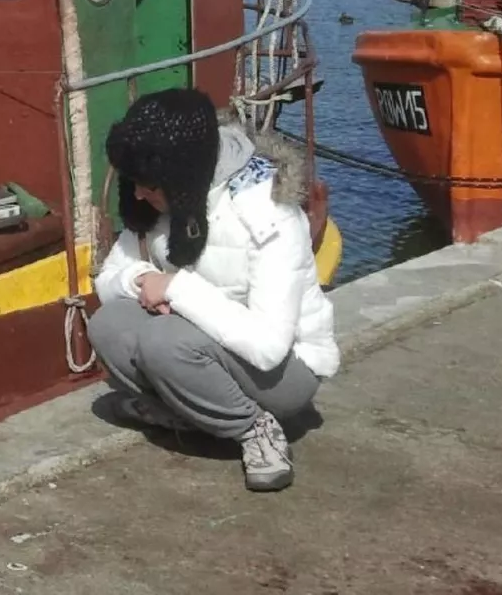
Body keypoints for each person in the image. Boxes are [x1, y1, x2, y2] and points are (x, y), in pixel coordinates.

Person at [87, 88, 339, 493]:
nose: (136, 194)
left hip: (287, 371)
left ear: (180, 176)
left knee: (164, 339)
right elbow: (108, 280)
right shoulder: (163, 203)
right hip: (205, 344)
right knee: (109, 324)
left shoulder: (266, 213)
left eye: (147, 184)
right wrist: (138, 279)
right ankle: (192, 416)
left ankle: (255, 429)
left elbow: (269, 346)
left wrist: (175, 288)